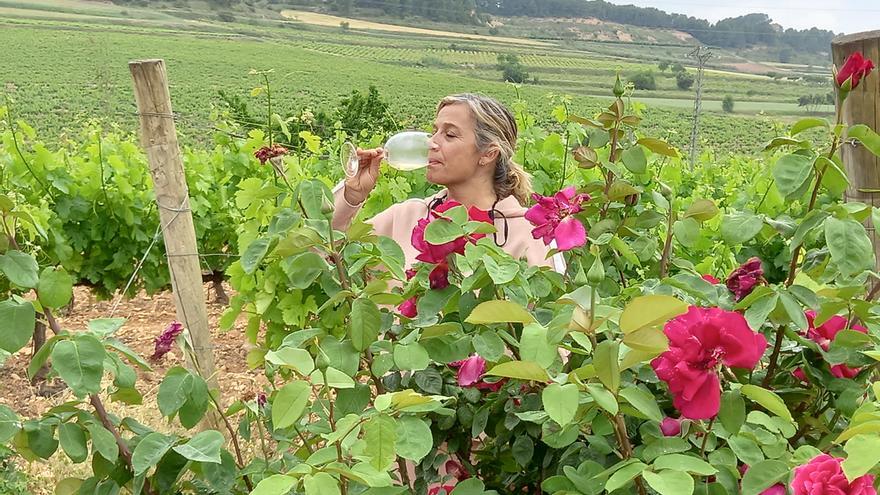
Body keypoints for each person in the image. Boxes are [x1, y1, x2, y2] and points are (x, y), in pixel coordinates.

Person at [331, 93, 564, 272]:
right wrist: (352, 195)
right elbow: (329, 257)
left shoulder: (529, 234)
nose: (432, 143)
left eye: (449, 134)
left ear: (488, 154)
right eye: (435, 131)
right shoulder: (405, 217)